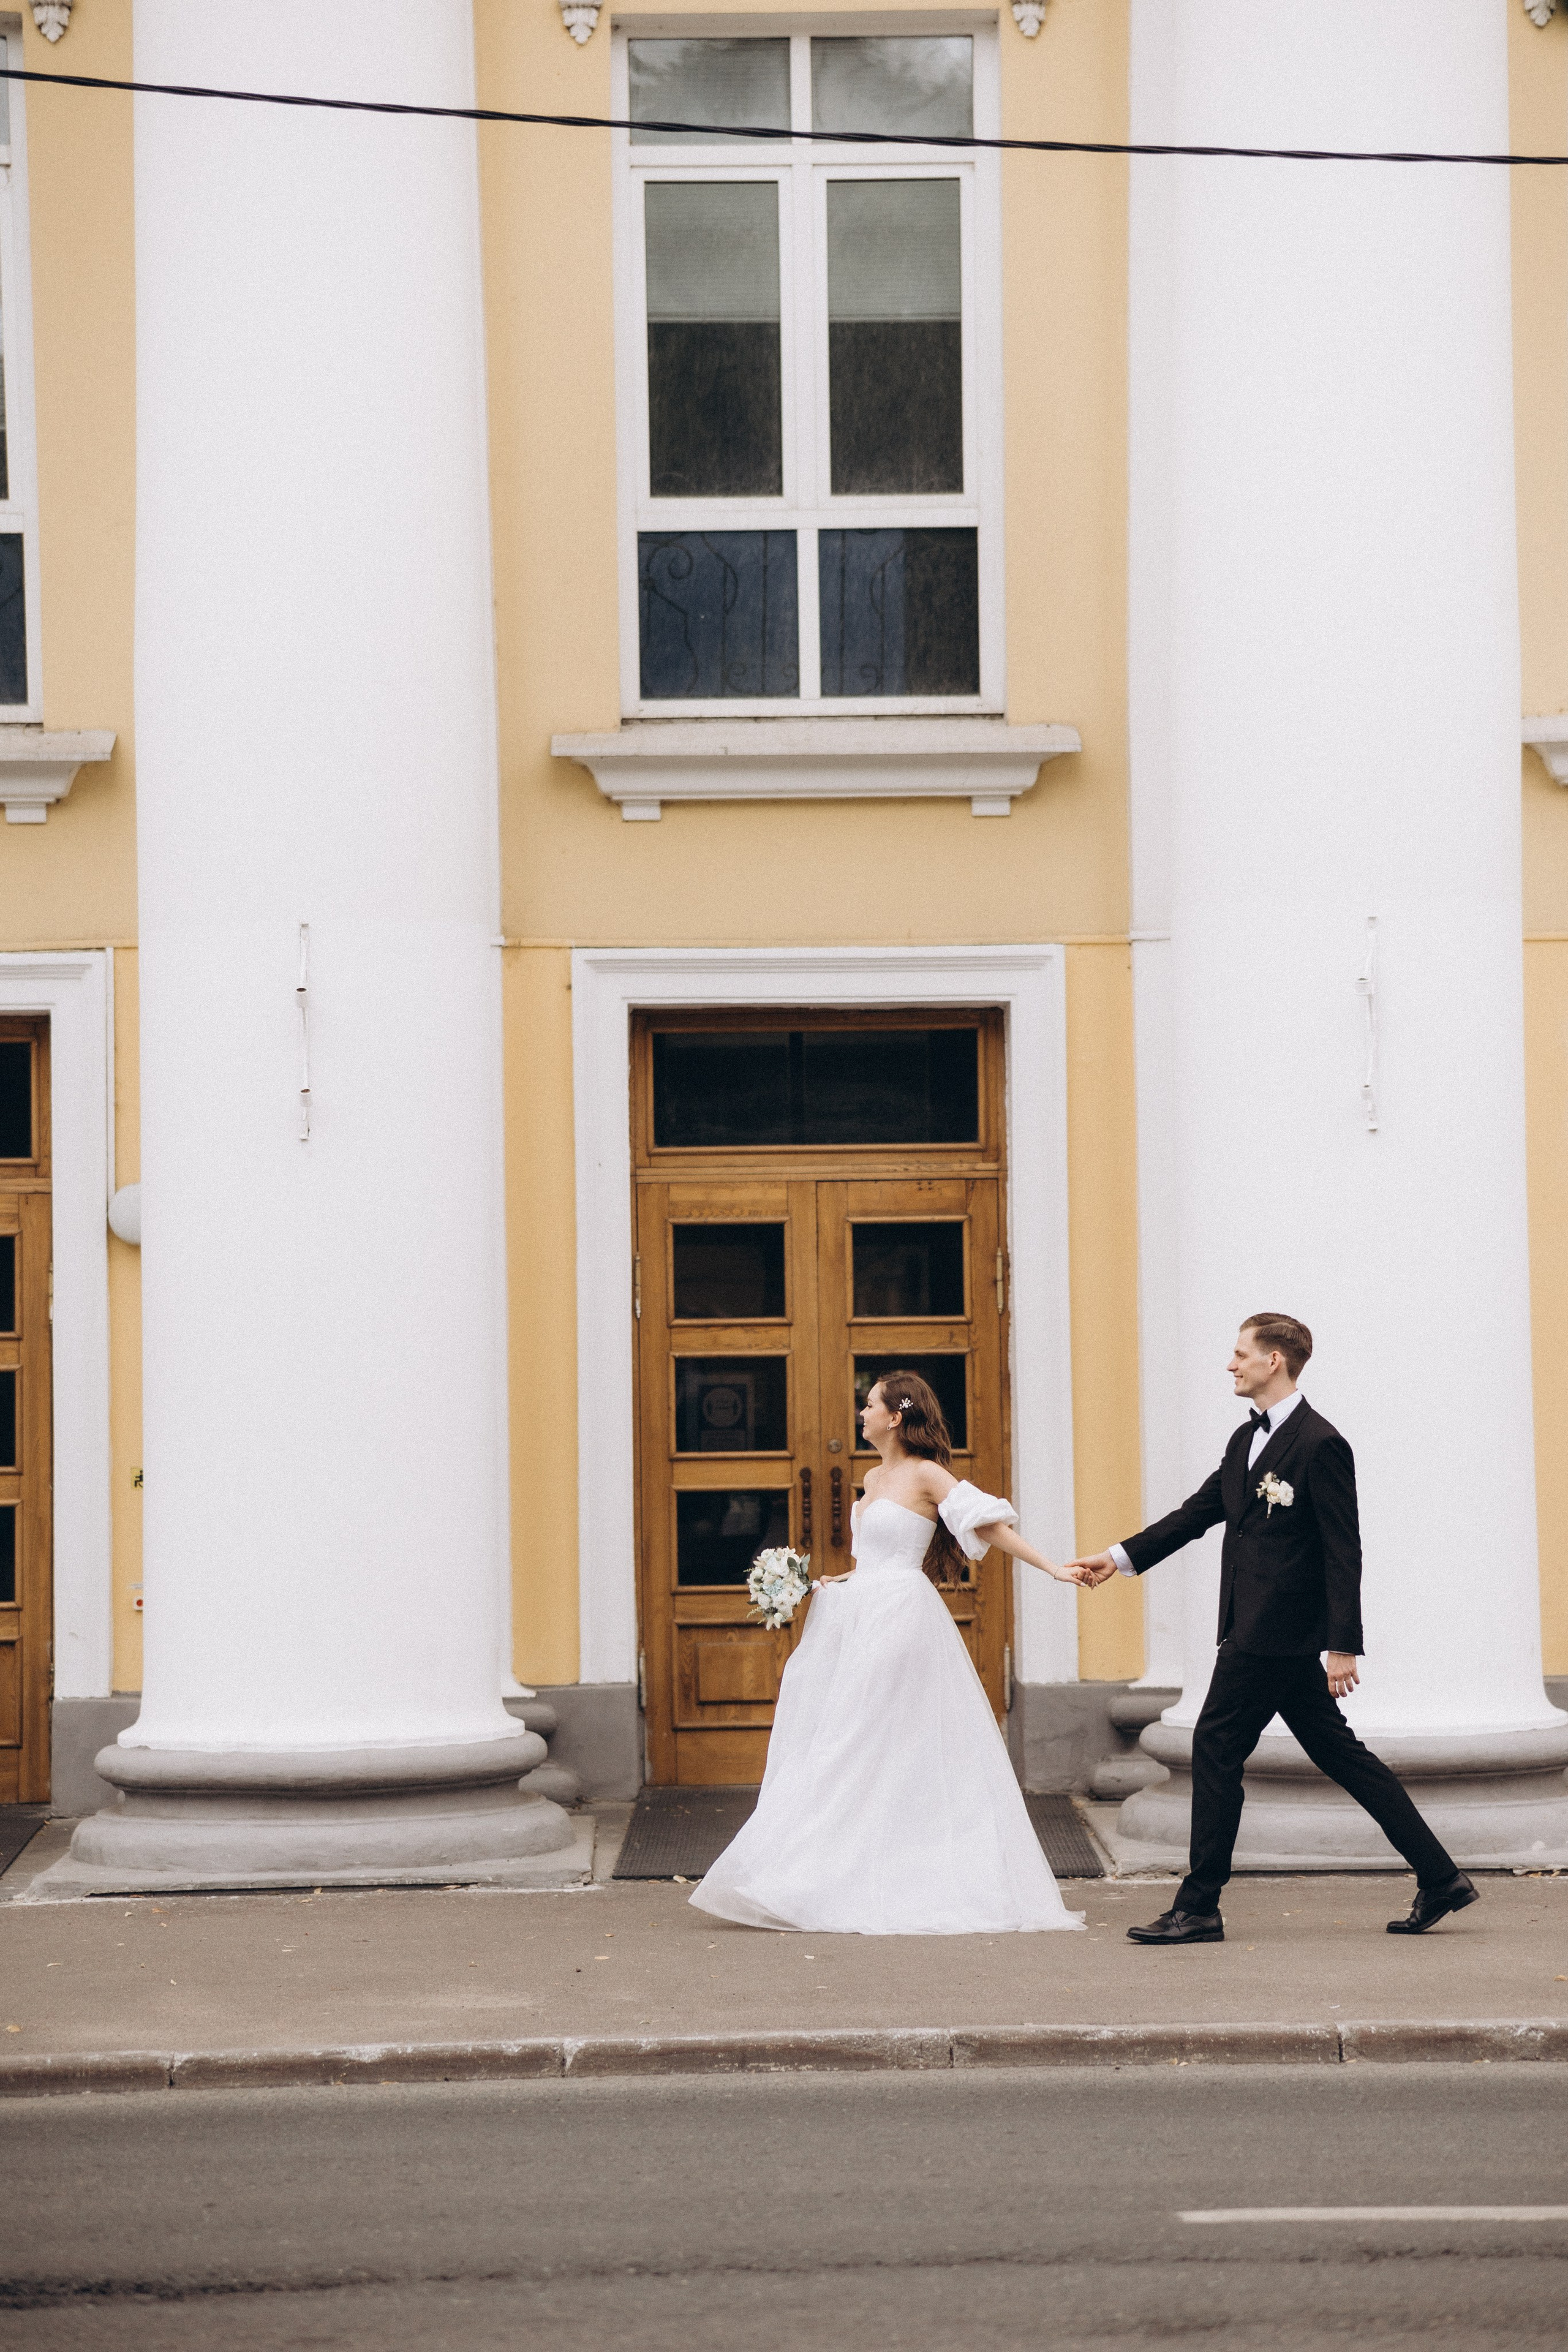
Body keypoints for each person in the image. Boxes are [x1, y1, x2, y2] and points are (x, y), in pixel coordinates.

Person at [1073, 1312, 1477, 1943]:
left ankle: (1199, 1906)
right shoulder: (1245, 1438)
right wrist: (1118, 1558)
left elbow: (1343, 1550)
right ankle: (1442, 1877)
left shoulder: (1321, 1443)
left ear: (1274, 1361)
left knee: (1214, 1747)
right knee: (1341, 1756)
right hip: (1259, 1629)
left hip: (1271, 1634)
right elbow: (1197, 1513)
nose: (1230, 1364)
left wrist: (1343, 1643)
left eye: (1240, 1354)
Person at [690, 1372, 1088, 1936]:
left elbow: (988, 1524)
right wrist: (838, 1580)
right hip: (857, 1613)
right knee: (851, 1740)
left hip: (901, 1618)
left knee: (854, 1736)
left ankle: (846, 1876)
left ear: (895, 1417)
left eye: (870, 1404)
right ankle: (826, 1873)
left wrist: (1052, 1568)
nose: (862, 1412)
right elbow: (872, 1558)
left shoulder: (927, 1474)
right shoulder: (873, 1477)